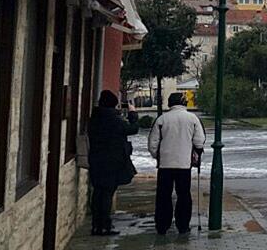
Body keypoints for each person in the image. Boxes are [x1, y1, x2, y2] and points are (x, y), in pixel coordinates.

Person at [148, 92, 206, 235]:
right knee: (184, 195)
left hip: (165, 165)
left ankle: (162, 225)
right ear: (184, 103)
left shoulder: (162, 119)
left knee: (163, 196)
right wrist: (195, 155)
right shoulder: (193, 119)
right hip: (184, 164)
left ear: (170, 104)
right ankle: (183, 225)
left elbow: (152, 143)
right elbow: (199, 141)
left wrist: (158, 156)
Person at [88, 90, 139, 236]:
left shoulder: (94, 119)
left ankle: (96, 225)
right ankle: (105, 226)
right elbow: (133, 129)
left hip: (96, 160)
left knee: (98, 192)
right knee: (107, 194)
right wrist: (133, 114)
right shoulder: (114, 120)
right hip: (112, 162)